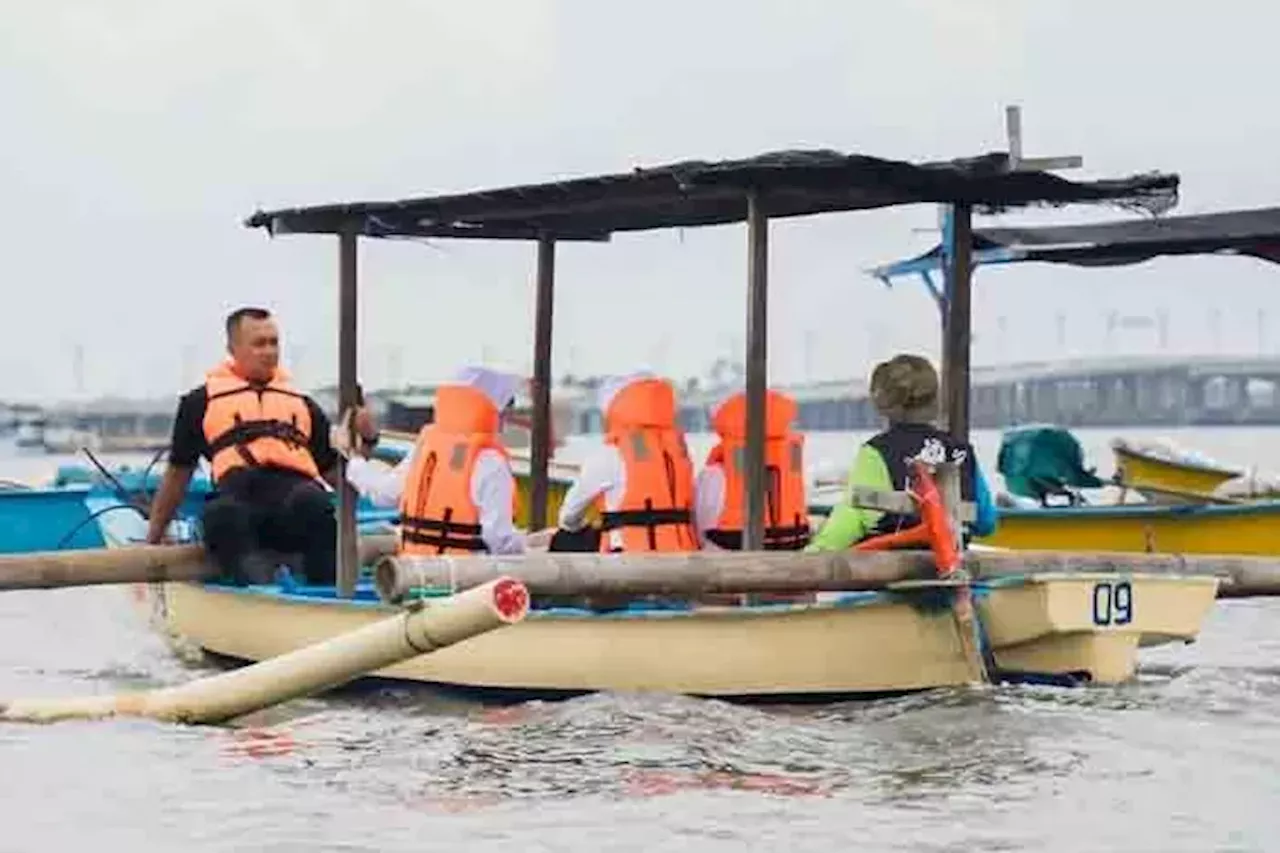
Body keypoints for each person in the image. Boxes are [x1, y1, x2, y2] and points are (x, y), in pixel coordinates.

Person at [146, 307, 342, 585]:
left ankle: (326, 593)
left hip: (292, 506)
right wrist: (155, 535)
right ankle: (258, 590)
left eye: (274, 343)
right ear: (233, 348)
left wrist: (365, 454)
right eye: (259, 344)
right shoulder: (199, 403)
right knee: (222, 515)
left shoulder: (302, 404)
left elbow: (335, 473)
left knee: (315, 504)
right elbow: (178, 474)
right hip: (240, 503)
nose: (269, 352)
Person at [806, 353, 997, 551]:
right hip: (950, 565)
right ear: (935, 400)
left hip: (894, 573)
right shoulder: (960, 451)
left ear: (883, 404)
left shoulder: (877, 453)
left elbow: (850, 521)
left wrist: (811, 556)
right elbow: (986, 523)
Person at [338, 366, 528, 555]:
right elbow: (499, 540)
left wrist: (354, 459)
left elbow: (385, 493)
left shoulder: (426, 448)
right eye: (508, 404)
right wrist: (530, 544)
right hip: (467, 578)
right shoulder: (490, 461)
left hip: (416, 576)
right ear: (493, 409)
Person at [554, 372, 698, 553]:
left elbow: (568, 517)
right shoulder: (680, 453)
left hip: (627, 564)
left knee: (562, 540)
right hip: (684, 560)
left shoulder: (610, 454)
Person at [695, 388, 810, 550]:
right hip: (790, 556)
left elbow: (700, 525)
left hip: (730, 562)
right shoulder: (793, 463)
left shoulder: (714, 474)